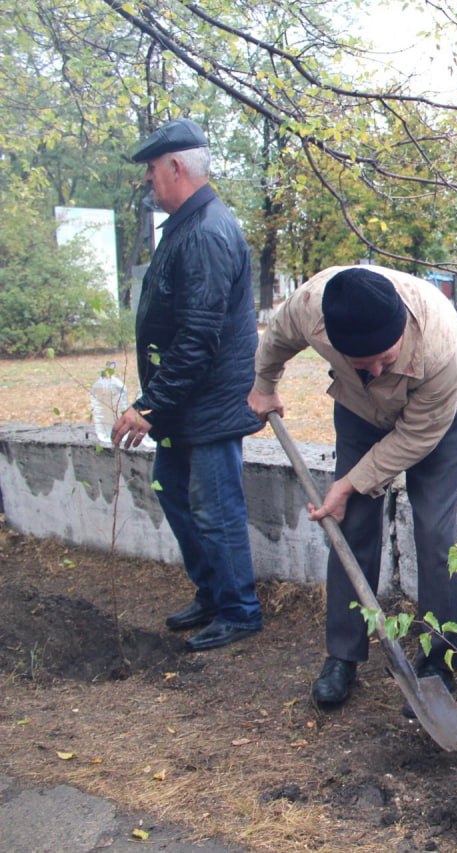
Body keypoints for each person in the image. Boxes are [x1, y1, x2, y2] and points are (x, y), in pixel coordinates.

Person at [248, 265, 457, 711]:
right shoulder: (314, 307)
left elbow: (414, 438)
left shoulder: (440, 345)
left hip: (437, 421)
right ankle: (343, 656)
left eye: (385, 360)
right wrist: (264, 385)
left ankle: (440, 660)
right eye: (361, 362)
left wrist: (350, 482)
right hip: (359, 409)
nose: (374, 369)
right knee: (350, 524)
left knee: (434, 532)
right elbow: (276, 336)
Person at [113, 118, 265, 652]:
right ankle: (211, 592)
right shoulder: (183, 224)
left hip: (210, 403)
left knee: (215, 507)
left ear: (177, 167)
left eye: (153, 171)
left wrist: (149, 405)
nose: (150, 181)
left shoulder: (207, 231)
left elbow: (199, 337)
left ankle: (240, 610)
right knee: (173, 492)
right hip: (183, 402)